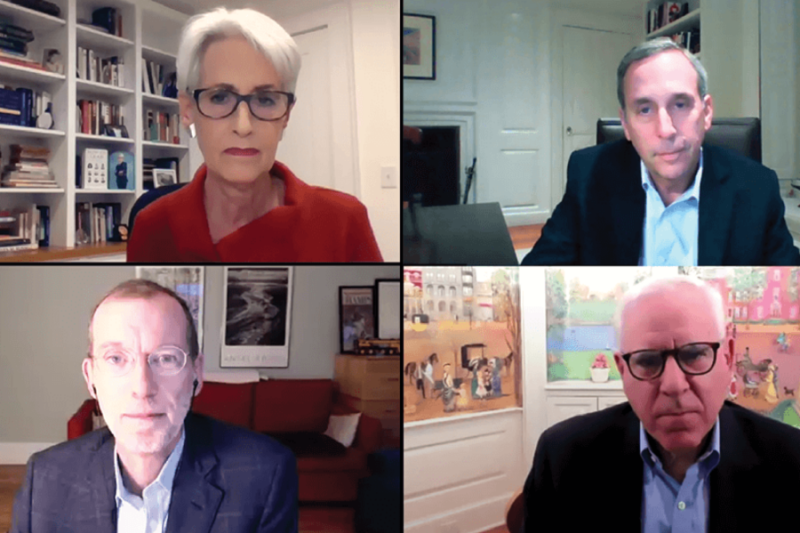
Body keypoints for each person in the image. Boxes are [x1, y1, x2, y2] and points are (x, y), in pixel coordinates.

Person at [11, 279, 298, 533]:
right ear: (90, 376)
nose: (143, 388)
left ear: (196, 373)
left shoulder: (265, 475)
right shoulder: (45, 479)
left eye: (165, 358)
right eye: (116, 359)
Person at [522, 276, 800, 532]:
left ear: (728, 355)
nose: (674, 385)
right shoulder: (563, 459)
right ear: (622, 369)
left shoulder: (791, 460)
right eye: (646, 361)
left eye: (694, 355)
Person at [127, 7, 382, 263]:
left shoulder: (343, 221)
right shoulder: (153, 226)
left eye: (265, 99)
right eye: (219, 97)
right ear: (187, 111)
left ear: (286, 116)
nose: (243, 125)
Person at [522, 38, 799, 266]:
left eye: (680, 104)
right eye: (645, 109)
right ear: (626, 124)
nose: (665, 129)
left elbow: (790, 291)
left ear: (706, 113)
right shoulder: (589, 176)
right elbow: (536, 280)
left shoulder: (757, 188)